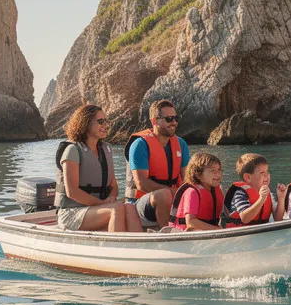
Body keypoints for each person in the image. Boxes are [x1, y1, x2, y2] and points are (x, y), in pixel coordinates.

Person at [56, 104, 141, 233]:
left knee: (129, 207)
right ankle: (117, 249)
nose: (106, 125)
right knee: (116, 209)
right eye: (100, 121)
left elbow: (113, 186)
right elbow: (72, 192)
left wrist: (111, 198)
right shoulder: (72, 150)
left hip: (97, 209)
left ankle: (139, 247)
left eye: (106, 121)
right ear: (85, 123)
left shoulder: (106, 149)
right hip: (72, 213)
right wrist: (102, 204)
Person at [125, 99, 190, 228]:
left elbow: (187, 177)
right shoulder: (140, 145)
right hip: (139, 204)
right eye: (169, 119)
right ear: (154, 121)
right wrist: (172, 192)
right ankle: (168, 234)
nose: (174, 123)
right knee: (164, 194)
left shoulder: (181, 144)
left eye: (176, 118)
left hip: (172, 196)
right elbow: (141, 183)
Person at [223, 153, 286, 227]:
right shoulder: (240, 192)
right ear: (248, 177)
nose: (267, 175)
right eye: (262, 172)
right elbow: (245, 218)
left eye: (267, 171)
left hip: (261, 232)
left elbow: (278, 219)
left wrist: (281, 199)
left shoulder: (267, 192)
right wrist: (261, 199)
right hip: (241, 234)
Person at [172, 152, 225, 231]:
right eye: (213, 171)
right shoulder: (192, 192)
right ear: (199, 175)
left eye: (219, 170)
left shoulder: (218, 190)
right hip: (186, 233)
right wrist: (218, 230)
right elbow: (191, 222)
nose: (218, 175)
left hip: (210, 230)